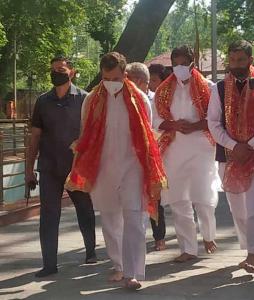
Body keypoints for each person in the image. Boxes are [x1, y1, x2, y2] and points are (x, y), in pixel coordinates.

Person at [65, 52, 166, 290]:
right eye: (106, 77)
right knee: (110, 218)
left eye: (116, 77)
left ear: (125, 74)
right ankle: (119, 265)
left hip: (133, 166)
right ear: (102, 74)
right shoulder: (91, 100)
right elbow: (85, 133)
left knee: (134, 217)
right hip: (104, 166)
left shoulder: (140, 99)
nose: (111, 82)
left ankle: (133, 273)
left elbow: (149, 137)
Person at [207, 40, 254, 273]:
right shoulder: (219, 88)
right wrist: (233, 145)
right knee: (238, 208)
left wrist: (249, 145)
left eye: (241, 60)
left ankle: (253, 254)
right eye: (232, 60)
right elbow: (213, 122)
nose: (236, 65)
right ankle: (248, 246)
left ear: (250, 60)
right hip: (229, 157)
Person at [25, 56, 97, 278]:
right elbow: (35, 135)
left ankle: (91, 252)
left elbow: (94, 134)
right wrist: (29, 169)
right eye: (54, 69)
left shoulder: (84, 99)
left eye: (61, 69)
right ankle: (49, 263)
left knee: (84, 209)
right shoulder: (43, 101)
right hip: (49, 167)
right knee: (48, 215)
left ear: (72, 72)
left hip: (76, 167)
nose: (57, 72)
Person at [153, 45, 219, 263]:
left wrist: (197, 126)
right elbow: (155, 121)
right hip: (174, 148)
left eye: (183, 63)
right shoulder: (163, 90)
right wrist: (173, 125)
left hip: (202, 148)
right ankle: (188, 248)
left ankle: (209, 236)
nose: (179, 68)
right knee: (179, 199)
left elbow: (216, 119)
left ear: (193, 63)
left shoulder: (209, 87)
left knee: (203, 198)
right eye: (175, 64)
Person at [126, 62, 167, 251]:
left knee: (154, 197)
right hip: (130, 157)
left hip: (153, 155)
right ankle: (134, 241)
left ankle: (159, 237)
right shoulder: (124, 99)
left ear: (139, 80)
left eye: (128, 78)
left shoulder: (156, 99)